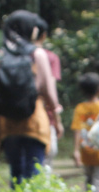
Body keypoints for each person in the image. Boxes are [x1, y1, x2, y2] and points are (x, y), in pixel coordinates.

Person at [0, 10, 64, 187]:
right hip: (34, 121)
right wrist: (57, 121)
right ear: (31, 30)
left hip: (8, 125)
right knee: (33, 171)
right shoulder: (38, 55)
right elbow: (48, 92)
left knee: (15, 172)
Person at [71, 72, 99, 192]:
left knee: (89, 180)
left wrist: (76, 150)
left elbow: (77, 129)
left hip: (86, 152)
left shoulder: (80, 108)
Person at [33, 18, 63, 172]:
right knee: (48, 156)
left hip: (17, 119)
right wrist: (57, 119)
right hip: (45, 117)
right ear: (43, 35)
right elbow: (50, 89)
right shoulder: (50, 57)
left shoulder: (12, 54)